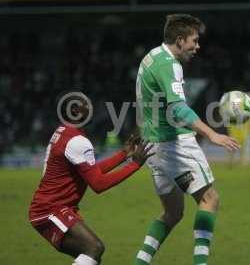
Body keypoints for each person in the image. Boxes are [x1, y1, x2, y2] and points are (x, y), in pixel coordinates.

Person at [134, 14, 239, 265]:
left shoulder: (151, 57)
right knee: (209, 199)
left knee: (172, 213)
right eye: (194, 40)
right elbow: (178, 109)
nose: (197, 46)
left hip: (153, 147)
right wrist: (212, 133)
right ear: (180, 41)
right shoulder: (169, 65)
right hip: (174, 145)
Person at [28, 92, 154, 265]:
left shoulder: (63, 131)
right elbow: (98, 184)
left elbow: (91, 172)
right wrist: (135, 165)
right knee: (94, 248)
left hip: (52, 208)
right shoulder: (78, 141)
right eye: (86, 105)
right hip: (50, 210)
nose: (91, 108)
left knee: (91, 254)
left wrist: (123, 155)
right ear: (74, 110)